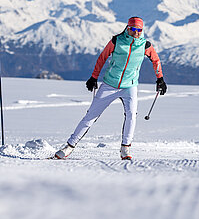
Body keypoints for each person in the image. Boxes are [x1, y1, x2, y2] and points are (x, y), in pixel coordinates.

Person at [55, 16, 167, 160]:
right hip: (110, 84)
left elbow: (156, 60)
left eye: (139, 30)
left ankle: (125, 148)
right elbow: (102, 58)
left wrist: (160, 79)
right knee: (91, 116)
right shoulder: (117, 41)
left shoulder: (145, 45)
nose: (137, 33)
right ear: (128, 28)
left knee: (132, 115)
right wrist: (94, 77)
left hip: (130, 86)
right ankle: (69, 147)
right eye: (133, 29)